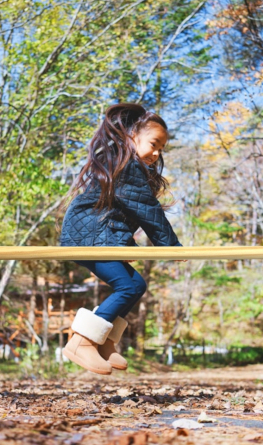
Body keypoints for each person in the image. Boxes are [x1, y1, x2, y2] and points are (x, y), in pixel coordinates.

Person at [56, 102, 187, 375]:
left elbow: (118, 212)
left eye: (161, 148)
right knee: (127, 287)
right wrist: (170, 246)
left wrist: (124, 244)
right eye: (154, 143)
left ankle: (104, 342)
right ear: (131, 137)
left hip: (96, 233)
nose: (156, 152)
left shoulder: (126, 168)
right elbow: (147, 211)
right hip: (88, 237)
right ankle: (82, 342)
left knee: (135, 284)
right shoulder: (127, 167)